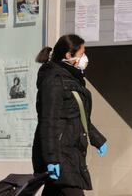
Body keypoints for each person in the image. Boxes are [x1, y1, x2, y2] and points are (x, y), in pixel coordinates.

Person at [32, 34, 108, 196]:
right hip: (60, 154)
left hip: (70, 150)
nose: (85, 58)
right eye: (81, 54)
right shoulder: (54, 81)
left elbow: (80, 116)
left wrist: (97, 139)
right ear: (68, 55)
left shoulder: (72, 79)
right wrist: (52, 159)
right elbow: (48, 123)